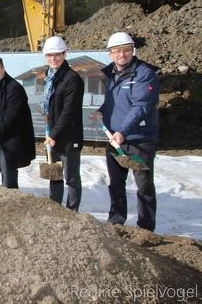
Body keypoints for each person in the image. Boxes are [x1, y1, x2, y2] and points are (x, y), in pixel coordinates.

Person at [90, 32, 159, 231]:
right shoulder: (111, 74)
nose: (122, 55)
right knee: (116, 182)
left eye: (126, 50)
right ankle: (117, 220)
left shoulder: (145, 74)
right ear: (110, 53)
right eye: (117, 51)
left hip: (139, 138)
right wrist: (101, 111)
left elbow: (141, 106)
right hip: (114, 137)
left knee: (144, 185)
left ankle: (145, 228)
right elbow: (113, 102)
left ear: (133, 51)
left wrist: (123, 131)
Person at [40, 37, 84, 211]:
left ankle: (72, 211)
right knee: (54, 174)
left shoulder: (72, 79)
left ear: (65, 54)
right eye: (49, 55)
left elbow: (68, 112)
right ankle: (56, 208)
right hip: (52, 134)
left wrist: (53, 135)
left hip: (68, 137)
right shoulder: (50, 75)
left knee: (71, 177)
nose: (53, 59)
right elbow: (52, 105)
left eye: (57, 55)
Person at [0, 57, 35, 188]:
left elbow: (10, 116)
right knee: (3, 172)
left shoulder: (13, 88)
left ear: (3, 69)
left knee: (8, 175)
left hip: (10, 140)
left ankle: (11, 201)